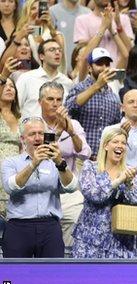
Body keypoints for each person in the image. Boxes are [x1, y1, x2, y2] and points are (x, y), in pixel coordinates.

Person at [1, 116, 78, 258]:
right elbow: (11, 187)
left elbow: (71, 186)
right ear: (23, 139)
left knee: (52, 276)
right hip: (19, 227)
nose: (38, 138)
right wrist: (33, 164)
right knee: (12, 278)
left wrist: (59, 162)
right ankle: (9, 283)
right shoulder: (10, 162)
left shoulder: (57, 162)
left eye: (41, 133)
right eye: (32, 134)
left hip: (50, 227)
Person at [72, 127, 137, 258]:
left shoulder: (131, 172)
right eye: (115, 142)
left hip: (121, 243)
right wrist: (119, 180)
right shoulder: (90, 168)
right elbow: (94, 195)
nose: (120, 146)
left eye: (123, 143)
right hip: (90, 241)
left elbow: (135, 200)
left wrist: (128, 183)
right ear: (105, 145)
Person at [39, 81, 91, 256]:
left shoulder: (73, 124)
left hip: (68, 190)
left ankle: (68, 268)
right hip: (42, 189)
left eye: (59, 100)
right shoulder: (33, 124)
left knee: (75, 225)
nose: (55, 103)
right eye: (50, 99)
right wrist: (60, 132)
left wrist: (70, 129)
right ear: (40, 102)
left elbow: (84, 152)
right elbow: (41, 155)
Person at [64, 47, 121, 156]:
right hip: (80, 156)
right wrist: (96, 86)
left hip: (103, 158)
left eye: (107, 64)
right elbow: (68, 109)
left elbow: (114, 129)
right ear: (89, 68)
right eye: (99, 64)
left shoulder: (114, 97)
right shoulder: (79, 88)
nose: (104, 68)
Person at [15, 39, 73, 118]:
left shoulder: (67, 82)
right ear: (41, 56)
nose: (57, 53)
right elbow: (15, 107)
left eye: (59, 50)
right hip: (31, 128)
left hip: (58, 129)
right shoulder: (27, 78)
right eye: (52, 50)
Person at [0, 76, 20, 218]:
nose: (9, 88)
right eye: (4, 85)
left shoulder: (22, 118)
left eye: (12, 86)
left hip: (15, 172)